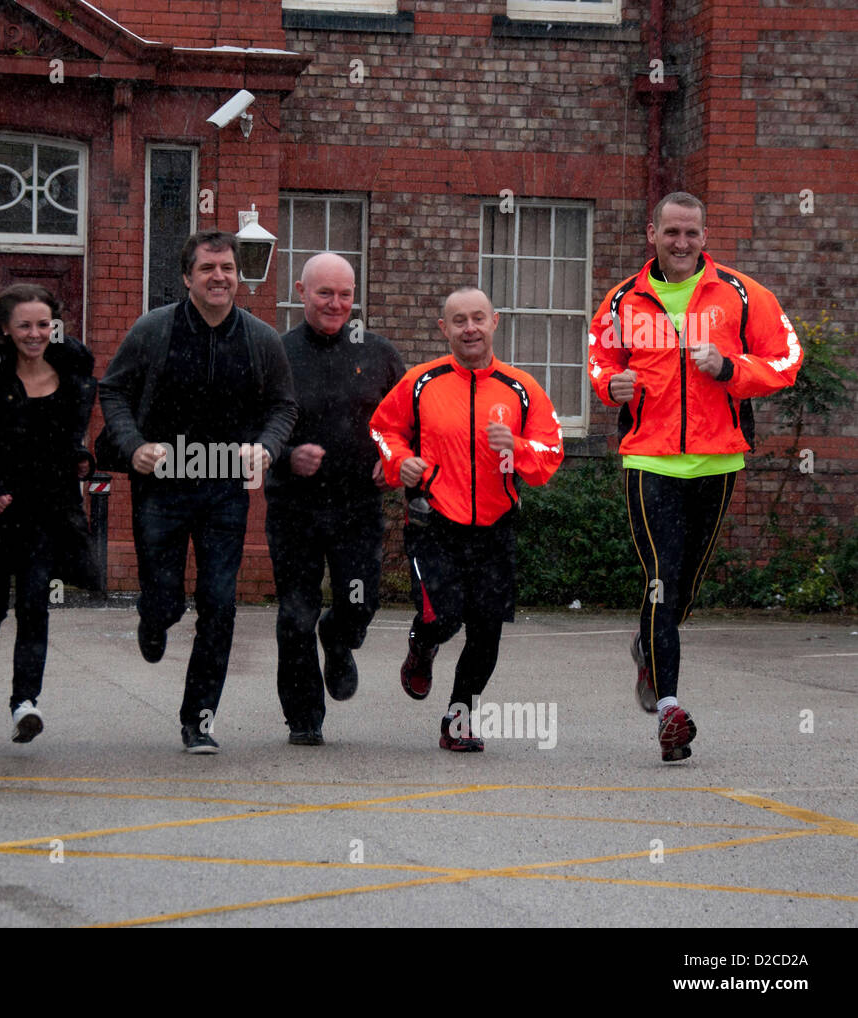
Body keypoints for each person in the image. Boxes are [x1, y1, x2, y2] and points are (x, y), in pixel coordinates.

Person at [588, 191, 801, 762]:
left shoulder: (741, 294)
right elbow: (601, 359)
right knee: (661, 577)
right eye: (671, 232)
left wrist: (731, 368)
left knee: (682, 590)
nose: (680, 243)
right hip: (649, 460)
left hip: (718, 460)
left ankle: (647, 647)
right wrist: (610, 385)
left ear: (704, 237)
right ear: (651, 234)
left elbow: (786, 359)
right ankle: (670, 711)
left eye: (690, 233)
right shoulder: (622, 299)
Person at [98, 229, 297, 754]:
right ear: (187, 277)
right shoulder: (153, 329)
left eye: (227, 268)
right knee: (165, 596)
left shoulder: (260, 339)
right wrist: (133, 445)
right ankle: (154, 615)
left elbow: (283, 405)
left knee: (219, 603)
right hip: (161, 484)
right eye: (208, 268)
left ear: (237, 276)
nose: (219, 277)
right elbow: (113, 390)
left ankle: (199, 720)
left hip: (225, 488)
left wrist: (267, 447)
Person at [370, 286, 563, 751]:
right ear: (444, 329)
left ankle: (458, 720)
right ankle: (422, 645)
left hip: (496, 529)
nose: (470, 328)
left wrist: (517, 447)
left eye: (478, 318)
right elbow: (382, 429)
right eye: (459, 321)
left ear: (495, 322)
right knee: (442, 616)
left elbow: (551, 452)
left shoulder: (522, 388)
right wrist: (400, 462)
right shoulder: (421, 382)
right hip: (434, 524)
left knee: (486, 635)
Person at [265, 253, 405, 746]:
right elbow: (254, 429)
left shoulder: (379, 353)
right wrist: (286, 457)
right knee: (295, 614)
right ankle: (304, 717)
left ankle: (340, 637)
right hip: (294, 508)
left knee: (359, 599)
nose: (335, 303)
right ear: (301, 291)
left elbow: (407, 423)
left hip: (357, 507)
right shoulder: (277, 354)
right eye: (324, 293)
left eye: (345, 294)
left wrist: (392, 458)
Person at [0, 284, 97, 743]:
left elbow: (71, 437)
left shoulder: (71, 375)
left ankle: (25, 702)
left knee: (34, 605)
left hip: (47, 509)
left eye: (44, 324)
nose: (35, 333)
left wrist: (81, 458)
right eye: (24, 325)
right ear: (5, 328)